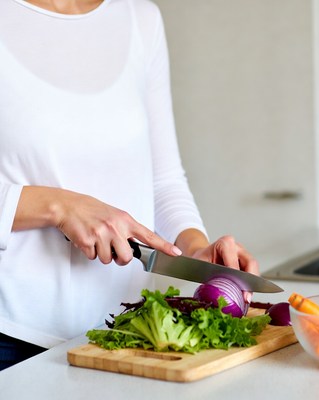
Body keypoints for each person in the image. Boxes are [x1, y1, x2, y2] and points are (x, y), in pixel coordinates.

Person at [0, 0, 259, 370]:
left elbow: (163, 178)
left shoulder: (140, 19)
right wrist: (59, 207)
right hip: (12, 337)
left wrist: (194, 249)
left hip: (128, 334)